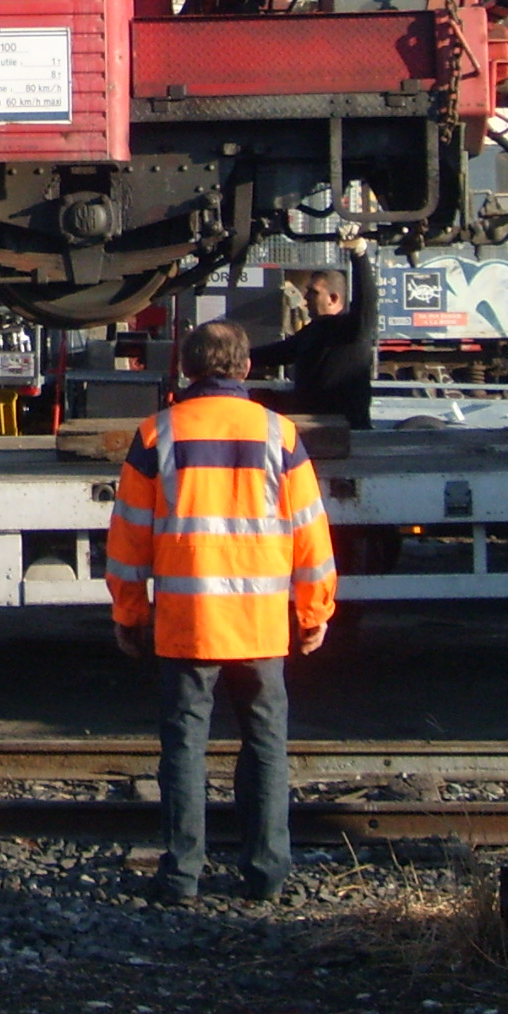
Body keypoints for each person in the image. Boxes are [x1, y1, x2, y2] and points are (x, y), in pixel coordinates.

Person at [108, 318, 337, 906]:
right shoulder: (279, 434)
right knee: (266, 746)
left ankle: (181, 876)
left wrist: (130, 614)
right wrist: (314, 612)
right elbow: (311, 534)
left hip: (188, 623)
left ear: (187, 369)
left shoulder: (157, 434)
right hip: (260, 625)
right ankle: (266, 875)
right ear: (246, 367)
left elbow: (129, 537)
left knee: (184, 747)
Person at [261, 251, 376, 430]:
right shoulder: (312, 332)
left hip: (348, 435)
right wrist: (232, 355)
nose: (305, 297)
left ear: (333, 299)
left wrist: (359, 255)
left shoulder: (351, 330)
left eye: (313, 292)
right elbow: (273, 354)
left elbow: (367, 301)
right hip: (312, 432)